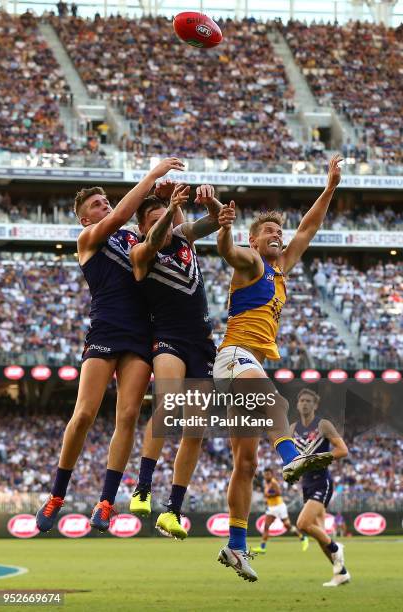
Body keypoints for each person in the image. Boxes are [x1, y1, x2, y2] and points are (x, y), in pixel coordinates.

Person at [35, 157, 184, 533]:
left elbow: (162, 232)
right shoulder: (88, 238)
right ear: (85, 219)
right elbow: (119, 217)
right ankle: (56, 495)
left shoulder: (134, 237)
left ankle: (106, 501)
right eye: (96, 206)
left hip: (140, 333)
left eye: (105, 201)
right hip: (104, 330)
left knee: (128, 415)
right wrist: (152, 177)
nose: (104, 207)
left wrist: (164, 202)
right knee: (84, 413)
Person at [213, 155, 343, 582]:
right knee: (273, 398)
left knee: (245, 464)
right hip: (235, 357)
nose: (277, 235)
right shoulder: (250, 262)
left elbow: (309, 227)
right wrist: (226, 227)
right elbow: (226, 250)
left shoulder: (281, 267)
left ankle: (235, 545)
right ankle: (290, 458)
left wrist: (329, 189)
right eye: (269, 231)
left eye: (278, 232)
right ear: (255, 240)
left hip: (241, 366)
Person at [129, 184, 222, 539]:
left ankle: (172, 510)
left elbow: (212, 221)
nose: (163, 226)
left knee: (195, 429)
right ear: (142, 227)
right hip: (168, 338)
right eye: (153, 221)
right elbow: (153, 240)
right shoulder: (141, 252)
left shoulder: (182, 236)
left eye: (165, 220)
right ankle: (142, 487)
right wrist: (168, 208)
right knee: (167, 406)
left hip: (201, 343)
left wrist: (209, 200)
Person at [292, 388, 350, 587]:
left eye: (309, 401)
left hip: (322, 482)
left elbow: (342, 450)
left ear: (315, 405)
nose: (305, 403)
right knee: (319, 533)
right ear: (297, 404)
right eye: (302, 400)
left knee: (302, 524)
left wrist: (318, 458)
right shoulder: (292, 429)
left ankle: (336, 548)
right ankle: (341, 573)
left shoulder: (323, 425)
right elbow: (293, 459)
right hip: (305, 484)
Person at [251, 468, 308, 554]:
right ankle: (262, 547)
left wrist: (268, 495)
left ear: (271, 475)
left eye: (268, 474)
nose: (266, 476)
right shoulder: (266, 482)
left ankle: (303, 538)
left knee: (287, 525)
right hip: (271, 508)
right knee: (266, 526)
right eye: (265, 474)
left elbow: (278, 493)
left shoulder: (273, 482)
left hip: (279, 506)